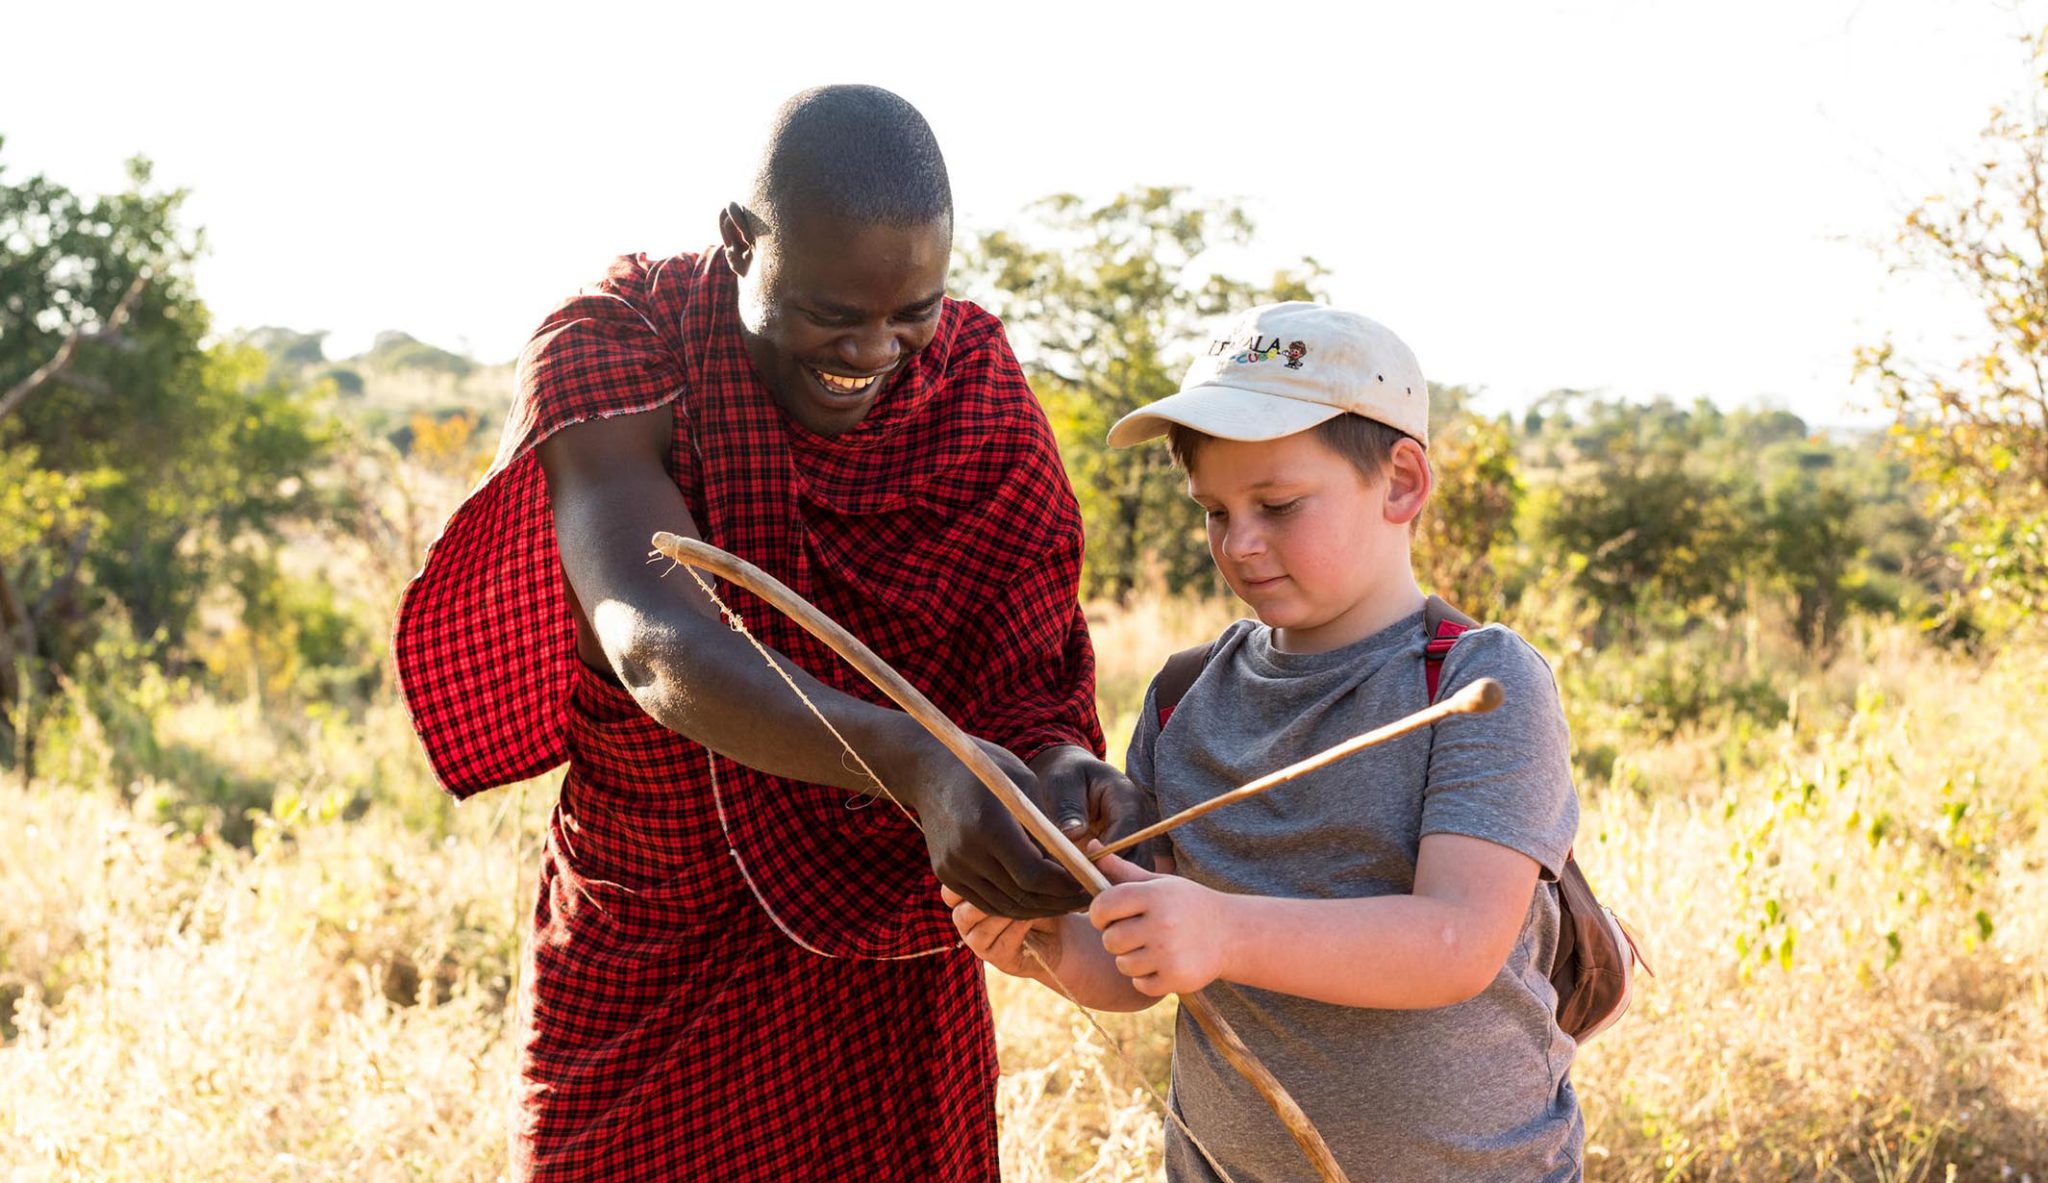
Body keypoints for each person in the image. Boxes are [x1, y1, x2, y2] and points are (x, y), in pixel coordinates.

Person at [392, 84, 1151, 1181]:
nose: (875, 349)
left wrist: (1057, 769)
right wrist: (919, 764)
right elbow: (650, 635)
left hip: (891, 967)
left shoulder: (972, 382)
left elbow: (1022, 659)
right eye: (832, 313)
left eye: (913, 311)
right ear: (739, 241)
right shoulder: (621, 342)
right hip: (655, 933)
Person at [947, 302, 1585, 1181]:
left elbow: (1457, 941)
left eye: (1278, 505)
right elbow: (1141, 962)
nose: (1239, 543)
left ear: (1401, 483)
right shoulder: (1184, 695)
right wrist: (1046, 941)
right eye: (1215, 510)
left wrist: (1222, 930)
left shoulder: (1475, 681)